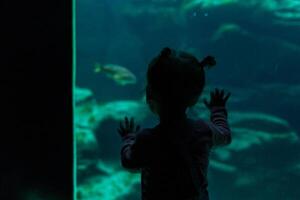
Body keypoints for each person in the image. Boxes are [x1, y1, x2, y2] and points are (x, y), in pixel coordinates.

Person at [118, 47, 232, 200]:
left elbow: (129, 162)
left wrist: (129, 138)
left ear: (149, 96)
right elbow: (225, 135)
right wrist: (217, 110)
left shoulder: (147, 139)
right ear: (196, 97)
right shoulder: (203, 130)